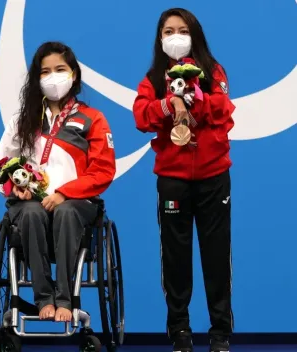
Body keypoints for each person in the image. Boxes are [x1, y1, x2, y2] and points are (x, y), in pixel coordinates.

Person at [132, 8, 235, 352]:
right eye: (168, 31)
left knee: (216, 256)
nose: (175, 36)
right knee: (176, 258)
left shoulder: (213, 71)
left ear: (195, 34)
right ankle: (180, 331)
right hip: (173, 180)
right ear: (160, 39)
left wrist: (193, 99)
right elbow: (141, 115)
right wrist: (167, 104)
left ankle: (220, 332)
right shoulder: (153, 77)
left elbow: (223, 110)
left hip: (213, 177)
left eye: (182, 29)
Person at [0, 41, 116, 322]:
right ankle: (43, 298)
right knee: (33, 213)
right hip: (29, 205)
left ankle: (66, 298)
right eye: (45, 72)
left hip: (76, 204)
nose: (53, 77)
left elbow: (103, 170)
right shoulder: (22, 120)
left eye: (60, 69)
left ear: (73, 74)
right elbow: (1, 164)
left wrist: (63, 193)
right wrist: (16, 187)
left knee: (67, 211)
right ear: (36, 79)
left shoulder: (92, 119)